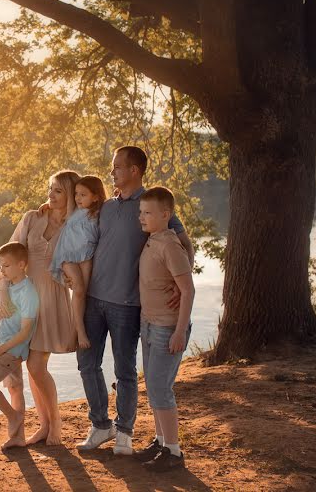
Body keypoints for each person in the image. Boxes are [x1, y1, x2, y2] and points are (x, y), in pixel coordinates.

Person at [76, 146, 194, 455]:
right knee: (87, 363)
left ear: (134, 171)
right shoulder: (105, 206)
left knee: (125, 370)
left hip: (127, 305)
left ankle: (125, 430)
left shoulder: (150, 207)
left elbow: (182, 245)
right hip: (92, 299)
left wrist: (180, 285)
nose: (112, 171)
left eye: (117, 167)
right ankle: (101, 425)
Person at [0, 170, 79, 445]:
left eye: (58, 190)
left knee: (36, 364)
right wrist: (3, 291)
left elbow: (79, 264)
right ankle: (44, 425)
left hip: (53, 299)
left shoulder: (75, 226)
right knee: (32, 366)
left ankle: (55, 425)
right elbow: (9, 254)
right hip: (26, 299)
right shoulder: (32, 218)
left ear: (70, 194)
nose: (51, 194)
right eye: (50, 188)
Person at [133, 186, 195, 471]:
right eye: (141, 212)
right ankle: (160, 442)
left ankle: (174, 452)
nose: (142, 217)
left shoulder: (169, 244)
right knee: (153, 387)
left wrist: (180, 332)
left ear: (165, 215)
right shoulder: (152, 239)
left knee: (160, 388)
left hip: (167, 328)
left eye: (147, 213)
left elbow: (188, 290)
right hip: (149, 323)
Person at [0, 241, 39, 451]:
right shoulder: (10, 283)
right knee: (15, 389)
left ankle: (13, 416)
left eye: (6, 266)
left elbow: (25, 332)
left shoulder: (28, 293)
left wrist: (1, 350)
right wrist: (3, 286)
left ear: (21, 265)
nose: (1, 271)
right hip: (7, 346)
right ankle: (18, 437)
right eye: (1, 265)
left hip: (12, 351)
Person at [49, 175, 108, 350]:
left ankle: (80, 325)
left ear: (96, 197)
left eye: (83, 195)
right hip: (68, 254)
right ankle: (79, 331)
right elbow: (56, 205)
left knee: (84, 292)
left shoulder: (100, 212)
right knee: (79, 288)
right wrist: (45, 206)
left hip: (87, 254)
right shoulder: (73, 209)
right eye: (76, 194)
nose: (78, 198)